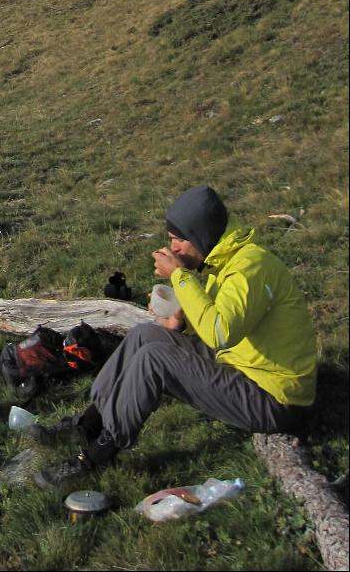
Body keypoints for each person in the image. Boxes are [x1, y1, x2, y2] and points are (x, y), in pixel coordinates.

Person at [34, 184, 317, 489]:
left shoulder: (250, 268)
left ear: (200, 235)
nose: (174, 249)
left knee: (155, 360)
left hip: (276, 397)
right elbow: (213, 323)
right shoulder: (223, 262)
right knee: (145, 336)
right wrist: (178, 323)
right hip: (242, 364)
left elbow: (220, 332)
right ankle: (89, 423)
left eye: (178, 240)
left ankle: (98, 455)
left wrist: (179, 277)